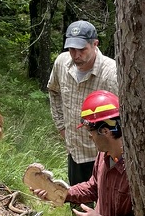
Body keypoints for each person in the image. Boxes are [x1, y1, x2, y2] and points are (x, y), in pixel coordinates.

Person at [47, 20, 118, 186]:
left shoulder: (111, 73)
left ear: (95, 44)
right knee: (77, 197)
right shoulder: (62, 63)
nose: (76, 55)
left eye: (82, 49)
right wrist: (62, 127)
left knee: (104, 200)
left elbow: (122, 116)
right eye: (72, 49)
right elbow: (54, 91)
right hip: (75, 152)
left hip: (103, 155)